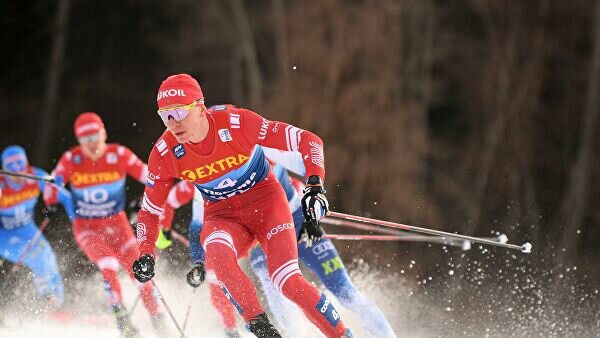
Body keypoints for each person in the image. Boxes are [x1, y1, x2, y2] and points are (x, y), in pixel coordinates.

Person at [132, 73, 352, 338]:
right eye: (165, 115)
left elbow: (309, 141)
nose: (173, 123)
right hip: (222, 215)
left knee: (287, 281)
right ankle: (260, 327)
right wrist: (145, 252)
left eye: (179, 112)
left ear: (200, 108)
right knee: (215, 253)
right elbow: (150, 211)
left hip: (266, 205)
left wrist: (315, 186)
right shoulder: (164, 153)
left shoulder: (237, 123)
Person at [161, 162, 397, 338]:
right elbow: (195, 226)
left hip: (301, 228)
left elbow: (301, 177)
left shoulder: (258, 152)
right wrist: (196, 260)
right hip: (262, 239)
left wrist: (312, 214)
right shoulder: (203, 184)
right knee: (282, 294)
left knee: (346, 292)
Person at [44, 112, 164, 338]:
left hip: (117, 224)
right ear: (79, 141)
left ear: (103, 133)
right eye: (84, 138)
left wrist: (143, 199)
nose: (91, 143)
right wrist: (52, 194)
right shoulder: (72, 159)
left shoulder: (119, 154)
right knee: (108, 265)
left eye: (94, 135)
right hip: (87, 227)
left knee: (138, 270)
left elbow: (153, 177)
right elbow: (53, 185)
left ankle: (158, 317)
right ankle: (122, 320)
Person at [0, 145, 72, 316]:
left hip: (27, 230)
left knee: (48, 257)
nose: (17, 173)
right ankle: (47, 302)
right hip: (4, 235)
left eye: (21, 165)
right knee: (36, 258)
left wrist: (76, 220)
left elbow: (64, 196)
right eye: (11, 168)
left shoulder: (34, 175)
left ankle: (59, 307)